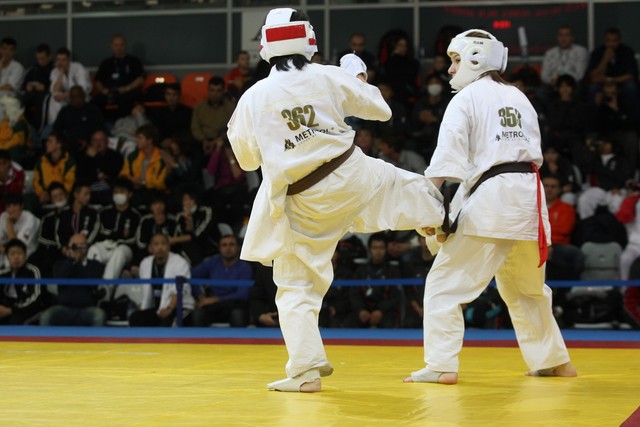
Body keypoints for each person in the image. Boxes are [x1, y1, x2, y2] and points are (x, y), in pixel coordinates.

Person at [227, 8, 443, 392]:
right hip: (351, 174)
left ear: (266, 45)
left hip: (305, 198)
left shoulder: (253, 98)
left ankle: (306, 371)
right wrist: (356, 76)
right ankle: (439, 223)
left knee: (295, 285)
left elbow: (246, 161)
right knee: (410, 189)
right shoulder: (327, 75)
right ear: (308, 38)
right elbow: (381, 110)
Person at [404, 29, 576, 385]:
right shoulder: (519, 96)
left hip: (493, 199)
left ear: (475, 59)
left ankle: (441, 364)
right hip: (529, 198)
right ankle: (554, 361)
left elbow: (445, 160)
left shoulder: (466, 99)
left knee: (444, 286)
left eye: (456, 60)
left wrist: (423, 203)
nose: (450, 70)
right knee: (526, 290)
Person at [40, 233, 106, 326]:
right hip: (63, 308)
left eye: (82, 246)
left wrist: (79, 263)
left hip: (86, 308)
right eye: (75, 246)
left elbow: (93, 283)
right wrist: (71, 261)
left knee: (99, 315)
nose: (78, 249)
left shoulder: (95, 265)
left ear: (87, 248)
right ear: (69, 247)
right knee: (47, 316)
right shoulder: (60, 264)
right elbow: (59, 278)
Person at [129, 233, 194, 327]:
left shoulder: (180, 262)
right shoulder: (145, 263)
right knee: (135, 318)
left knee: (168, 324)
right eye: (156, 244)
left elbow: (180, 290)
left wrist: (169, 309)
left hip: (180, 307)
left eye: (163, 244)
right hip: (159, 308)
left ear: (169, 246)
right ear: (151, 248)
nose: (160, 247)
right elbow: (146, 291)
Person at [190, 234, 252, 327]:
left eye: (231, 244)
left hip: (234, 305)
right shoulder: (212, 262)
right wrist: (200, 296)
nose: (228, 248)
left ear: (238, 248)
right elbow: (191, 276)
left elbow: (242, 294)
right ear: (219, 248)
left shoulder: (245, 267)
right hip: (213, 306)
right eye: (224, 245)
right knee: (198, 314)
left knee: (238, 315)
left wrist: (215, 299)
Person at [93, 34, 145, 121]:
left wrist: (127, 88)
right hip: (109, 92)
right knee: (95, 101)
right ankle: (103, 125)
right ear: (112, 46)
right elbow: (98, 80)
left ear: (125, 45)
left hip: (127, 92)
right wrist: (102, 90)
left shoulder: (134, 61)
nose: (119, 48)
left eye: (121, 45)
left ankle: (123, 124)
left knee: (126, 99)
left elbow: (140, 79)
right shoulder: (106, 63)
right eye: (116, 45)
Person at [0, 239, 50, 325]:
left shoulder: (33, 271)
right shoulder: (2, 273)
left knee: (14, 320)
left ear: (25, 255)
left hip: (29, 310)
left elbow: (36, 299)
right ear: (7, 257)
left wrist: (11, 310)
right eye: (12, 254)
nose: (16, 257)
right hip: (8, 308)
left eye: (19, 253)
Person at [75, 129, 124, 206]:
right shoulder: (84, 157)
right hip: (90, 192)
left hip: (109, 191)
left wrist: (96, 157)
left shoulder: (115, 156)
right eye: (95, 140)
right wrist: (96, 175)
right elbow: (80, 176)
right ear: (91, 143)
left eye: (101, 140)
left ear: (107, 142)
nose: (98, 143)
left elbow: (112, 171)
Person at [46, 47, 92, 127]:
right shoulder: (55, 71)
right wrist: (60, 74)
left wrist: (63, 95)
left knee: (75, 97)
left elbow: (81, 89)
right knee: (53, 100)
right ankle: (54, 125)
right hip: (66, 98)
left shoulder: (78, 68)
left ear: (69, 60)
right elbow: (54, 91)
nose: (61, 63)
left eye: (64, 60)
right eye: (59, 60)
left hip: (81, 97)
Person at [52, 85, 104, 154]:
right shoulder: (65, 112)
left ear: (84, 96)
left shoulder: (93, 110)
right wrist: (66, 143)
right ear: (70, 98)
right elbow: (56, 130)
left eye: (79, 96)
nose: (76, 99)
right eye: (73, 97)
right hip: (69, 147)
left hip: (91, 146)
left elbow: (100, 129)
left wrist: (88, 142)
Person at [191, 76, 235, 157]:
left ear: (223, 91)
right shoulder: (199, 107)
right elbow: (195, 127)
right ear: (208, 90)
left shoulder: (230, 107)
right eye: (212, 90)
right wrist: (203, 140)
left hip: (223, 142)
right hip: (202, 141)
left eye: (218, 91)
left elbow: (233, 128)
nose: (215, 94)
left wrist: (216, 141)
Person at [32, 131, 76, 206]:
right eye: (47, 141)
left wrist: (58, 193)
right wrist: (41, 193)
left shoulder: (69, 161)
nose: (47, 144)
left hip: (62, 195)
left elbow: (69, 183)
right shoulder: (41, 160)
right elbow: (36, 181)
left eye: (50, 141)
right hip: (45, 196)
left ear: (59, 145)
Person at [0, 193, 40, 270]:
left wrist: (9, 224)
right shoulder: (4, 216)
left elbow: (16, 247)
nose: (11, 210)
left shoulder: (30, 219)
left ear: (21, 206)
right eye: (8, 206)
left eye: (15, 205)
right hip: (6, 251)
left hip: (27, 252)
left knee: (12, 258)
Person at [21, 43, 53, 129]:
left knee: (41, 100)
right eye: (38, 59)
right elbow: (24, 84)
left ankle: (39, 129)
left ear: (49, 57)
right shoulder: (33, 69)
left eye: (43, 59)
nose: (40, 61)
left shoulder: (54, 69)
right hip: (30, 94)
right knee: (19, 101)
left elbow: (56, 85)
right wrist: (27, 86)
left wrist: (45, 87)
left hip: (44, 95)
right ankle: (22, 128)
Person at [0, 149, 24, 214]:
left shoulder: (18, 171)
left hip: (13, 199)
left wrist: (5, 180)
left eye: (3, 163)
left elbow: (17, 194)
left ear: (9, 162)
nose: (1, 167)